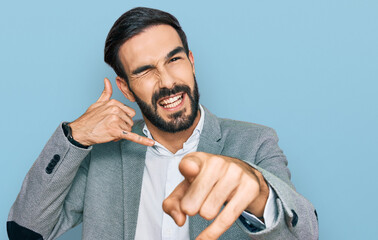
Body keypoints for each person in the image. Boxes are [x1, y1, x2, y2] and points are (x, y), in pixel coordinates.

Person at [7, 7, 318, 240]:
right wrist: (74, 138)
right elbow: (26, 231)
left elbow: (305, 232)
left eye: (174, 60)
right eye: (144, 71)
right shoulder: (103, 158)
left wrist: (258, 191)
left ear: (191, 61)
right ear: (125, 87)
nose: (168, 82)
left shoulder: (255, 142)